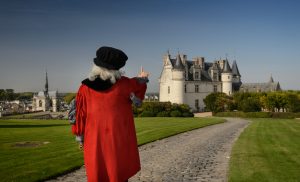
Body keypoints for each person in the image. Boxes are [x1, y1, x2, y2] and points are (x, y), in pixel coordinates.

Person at [72, 46, 149, 182]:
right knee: (118, 173)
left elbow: (80, 115)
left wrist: (80, 137)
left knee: (98, 172)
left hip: (94, 141)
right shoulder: (125, 85)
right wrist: (142, 78)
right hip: (117, 140)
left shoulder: (84, 88)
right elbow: (138, 86)